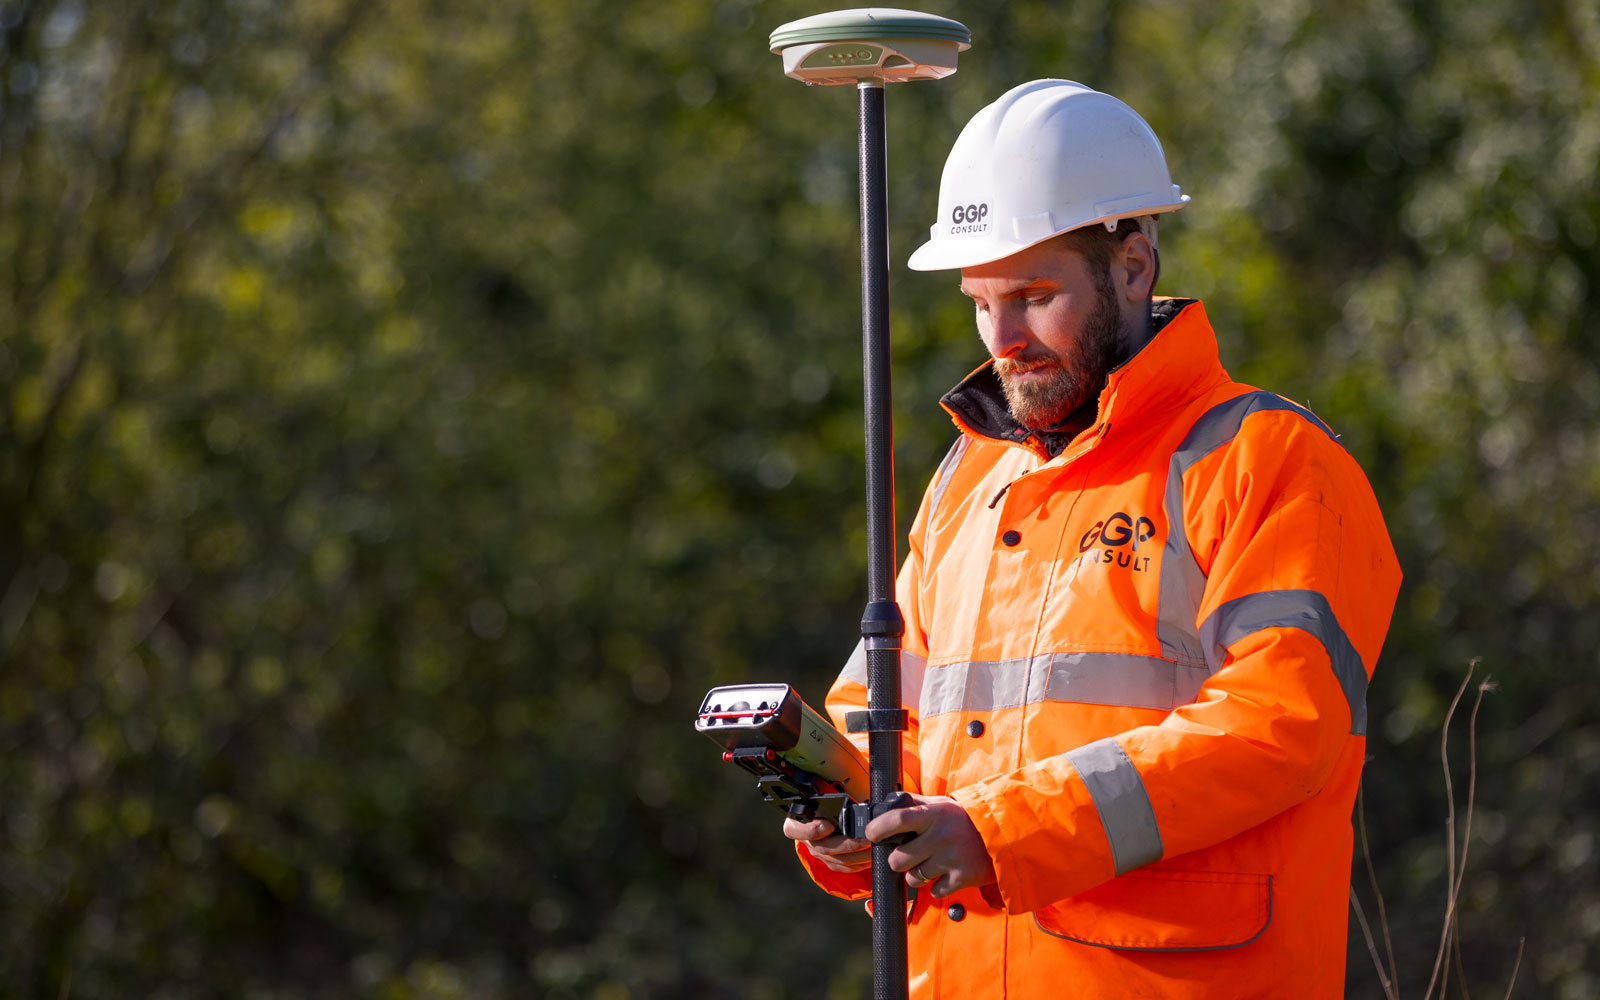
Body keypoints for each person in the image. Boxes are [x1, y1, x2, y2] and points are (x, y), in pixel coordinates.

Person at [782, 80, 1401, 998]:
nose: (1003, 338)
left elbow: (1280, 725)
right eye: (981, 302)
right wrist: (845, 822)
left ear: (1134, 267)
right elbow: (888, 729)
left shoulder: (1271, 461)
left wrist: (1001, 833)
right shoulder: (969, 483)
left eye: (1035, 295)